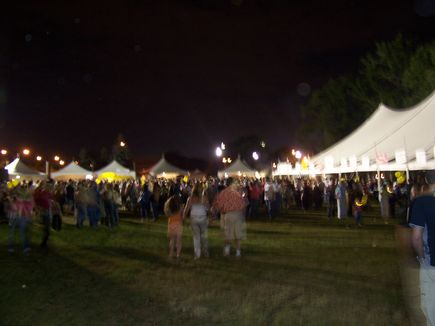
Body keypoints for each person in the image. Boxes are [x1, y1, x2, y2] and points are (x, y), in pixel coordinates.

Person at [409, 170, 435, 326]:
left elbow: (417, 237)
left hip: (431, 260)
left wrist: (421, 256)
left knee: (430, 303)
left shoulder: (422, 202)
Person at [213, 177, 248, 258]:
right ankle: (238, 252)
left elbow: (219, 205)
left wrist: (220, 212)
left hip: (228, 215)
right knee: (238, 234)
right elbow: (244, 204)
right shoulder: (238, 192)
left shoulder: (224, 193)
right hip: (238, 215)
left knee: (227, 234)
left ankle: (227, 251)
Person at [184, 184, 209, 259]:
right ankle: (205, 252)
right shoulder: (204, 198)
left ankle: (197, 254)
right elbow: (208, 208)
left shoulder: (190, 198)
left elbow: (186, 209)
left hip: (194, 218)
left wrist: (184, 217)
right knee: (204, 236)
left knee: (196, 237)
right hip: (202, 218)